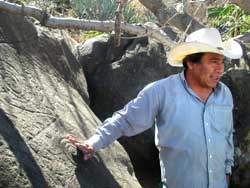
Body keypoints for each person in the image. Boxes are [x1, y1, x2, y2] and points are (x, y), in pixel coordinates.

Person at [67, 28, 243, 188]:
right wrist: (93, 142)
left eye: (222, 61)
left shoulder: (224, 94)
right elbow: (125, 119)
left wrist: (226, 174)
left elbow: (226, 136)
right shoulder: (162, 92)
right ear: (191, 63)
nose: (220, 68)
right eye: (213, 61)